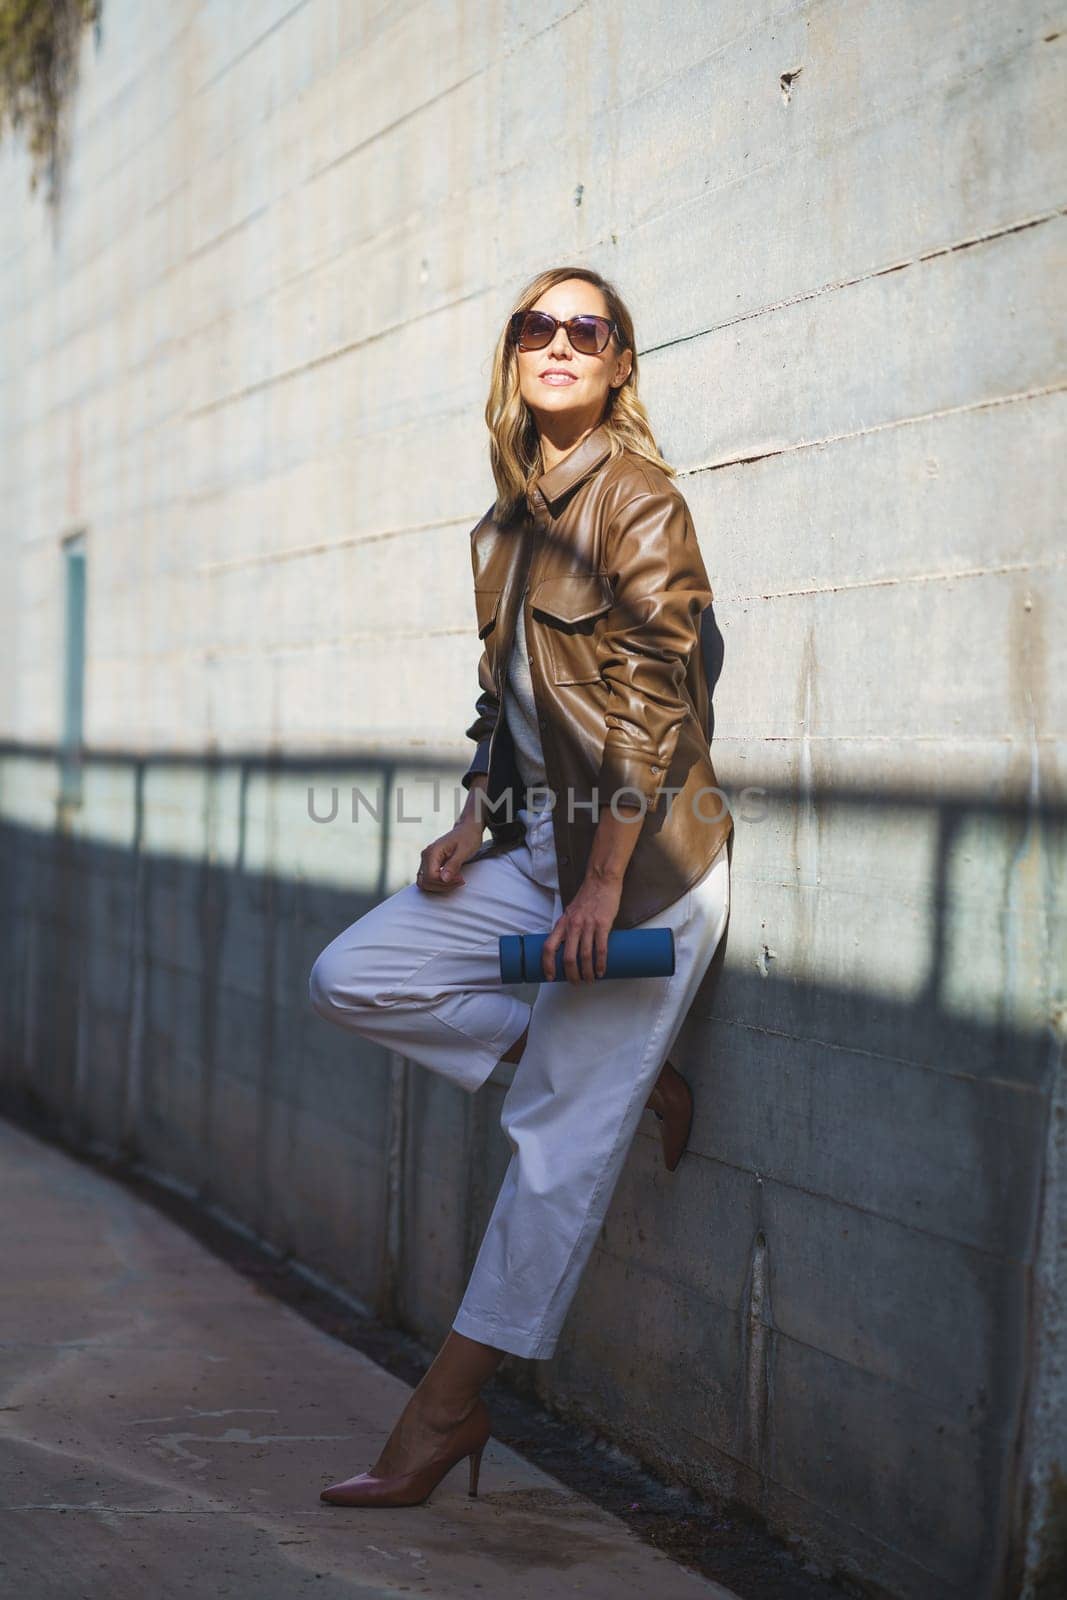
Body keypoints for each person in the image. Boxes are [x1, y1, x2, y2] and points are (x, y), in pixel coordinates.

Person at [308, 265, 733, 1507]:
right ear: (513, 357)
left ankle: (440, 1414)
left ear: (615, 365)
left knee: (552, 1146)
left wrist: (601, 884)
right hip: (541, 846)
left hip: (644, 865)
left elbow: (658, 697)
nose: (557, 342)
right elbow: (509, 705)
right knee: (356, 975)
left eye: (582, 329)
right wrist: (468, 823)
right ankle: (631, 1080)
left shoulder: (640, 502)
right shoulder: (503, 527)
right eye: (534, 326)